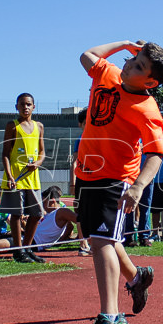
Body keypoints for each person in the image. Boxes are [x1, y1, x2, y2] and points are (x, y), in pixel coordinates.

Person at [72, 39, 163, 324]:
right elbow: (86, 55)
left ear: (151, 81)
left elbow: (157, 153)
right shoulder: (110, 74)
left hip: (116, 178)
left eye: (140, 66)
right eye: (135, 59)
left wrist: (139, 186)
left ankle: (110, 318)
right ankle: (137, 277)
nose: (132, 64)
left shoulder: (147, 109)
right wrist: (127, 45)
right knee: (99, 236)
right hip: (87, 172)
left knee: (102, 241)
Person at [1, 93, 46, 263]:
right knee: (17, 214)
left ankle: (27, 248)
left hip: (33, 178)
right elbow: (5, 154)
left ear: (34, 107)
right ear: (16, 107)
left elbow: (42, 152)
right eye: (22, 104)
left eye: (28, 104)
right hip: (16, 178)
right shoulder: (12, 126)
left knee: (36, 214)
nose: (25, 107)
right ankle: (18, 251)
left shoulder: (39, 126)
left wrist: (38, 163)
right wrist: (10, 176)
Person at [71, 108, 92, 256]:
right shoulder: (80, 140)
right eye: (86, 123)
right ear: (80, 124)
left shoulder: (100, 139)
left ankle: (94, 241)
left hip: (98, 180)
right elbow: (74, 162)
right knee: (80, 211)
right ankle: (83, 243)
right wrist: (72, 182)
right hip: (82, 179)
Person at [33, 185, 79, 250]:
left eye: (44, 203)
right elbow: (70, 227)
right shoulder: (49, 214)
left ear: (52, 201)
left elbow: (79, 221)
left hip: (34, 242)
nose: (42, 206)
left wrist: (80, 237)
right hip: (29, 238)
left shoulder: (61, 212)